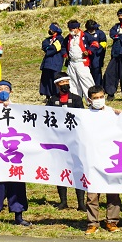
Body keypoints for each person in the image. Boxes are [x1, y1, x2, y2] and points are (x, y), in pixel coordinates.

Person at [0, 80, 31, 227]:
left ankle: (18, 215)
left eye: (6, 89)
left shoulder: (19, 109)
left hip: (14, 153)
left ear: (11, 92)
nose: (3, 91)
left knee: (16, 184)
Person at [84, 85, 122, 234]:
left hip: (110, 158)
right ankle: (92, 223)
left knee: (113, 192)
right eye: (95, 98)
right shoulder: (85, 115)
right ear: (89, 100)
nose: (99, 100)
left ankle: (112, 221)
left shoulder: (112, 113)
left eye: (101, 97)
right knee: (92, 195)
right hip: (92, 159)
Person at [47, 72, 86, 212]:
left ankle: (81, 202)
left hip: (75, 139)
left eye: (66, 82)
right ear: (57, 85)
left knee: (77, 169)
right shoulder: (52, 100)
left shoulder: (76, 99)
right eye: (61, 83)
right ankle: (63, 201)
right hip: (59, 140)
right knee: (61, 170)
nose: (65, 85)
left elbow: (82, 117)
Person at [63, 19, 95, 98]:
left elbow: (95, 44)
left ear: (77, 28)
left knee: (86, 81)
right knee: (73, 83)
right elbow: (63, 46)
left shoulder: (85, 36)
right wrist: (65, 55)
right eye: (69, 29)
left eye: (72, 29)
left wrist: (89, 51)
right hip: (72, 63)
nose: (71, 31)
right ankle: (75, 100)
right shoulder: (68, 37)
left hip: (82, 62)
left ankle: (91, 100)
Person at [39, 23, 64, 100]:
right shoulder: (47, 40)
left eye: (51, 29)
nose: (49, 30)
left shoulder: (60, 39)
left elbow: (55, 48)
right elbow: (45, 46)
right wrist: (49, 48)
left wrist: (49, 48)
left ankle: (56, 95)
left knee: (55, 79)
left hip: (56, 61)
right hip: (47, 62)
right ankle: (47, 95)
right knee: (46, 79)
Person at [84, 20, 107, 87]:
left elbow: (103, 43)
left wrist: (95, 49)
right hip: (87, 56)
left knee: (97, 72)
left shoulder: (100, 33)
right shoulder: (84, 34)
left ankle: (99, 87)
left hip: (97, 56)